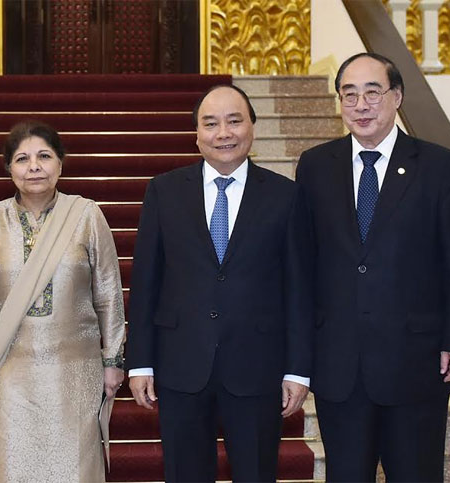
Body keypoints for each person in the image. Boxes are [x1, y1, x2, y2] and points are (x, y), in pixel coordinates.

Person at [295, 52, 450, 482]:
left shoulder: (439, 166)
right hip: (339, 363)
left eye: (372, 93)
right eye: (349, 94)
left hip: (416, 362)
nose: (361, 105)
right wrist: (300, 353)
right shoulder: (316, 166)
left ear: (396, 96)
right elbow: (303, 264)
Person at [125, 84, 314, 482]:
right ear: (196, 134)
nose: (223, 133)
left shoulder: (286, 195)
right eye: (210, 124)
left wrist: (297, 370)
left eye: (234, 121)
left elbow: (299, 288)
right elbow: (145, 283)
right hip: (181, 364)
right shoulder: (164, 191)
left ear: (252, 127)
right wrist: (140, 361)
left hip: (258, 366)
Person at [0, 120, 126, 482]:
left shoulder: (86, 215)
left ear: (60, 163)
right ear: (9, 168)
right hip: (7, 371)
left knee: (72, 470)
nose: (34, 166)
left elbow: (108, 292)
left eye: (44, 156)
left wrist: (112, 359)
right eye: (22, 159)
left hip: (73, 373)